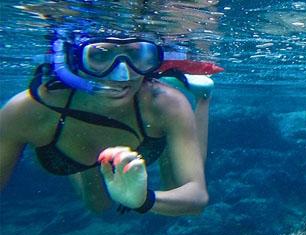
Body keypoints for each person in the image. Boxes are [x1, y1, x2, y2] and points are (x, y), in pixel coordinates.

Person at [0, 30, 221, 216]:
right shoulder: (26, 111)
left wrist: (143, 200)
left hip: (149, 123)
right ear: (72, 59)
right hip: (70, 135)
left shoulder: (163, 104)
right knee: (98, 206)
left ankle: (203, 97)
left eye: (138, 55)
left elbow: (196, 197)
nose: (122, 74)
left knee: (173, 187)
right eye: (100, 56)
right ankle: (97, 165)